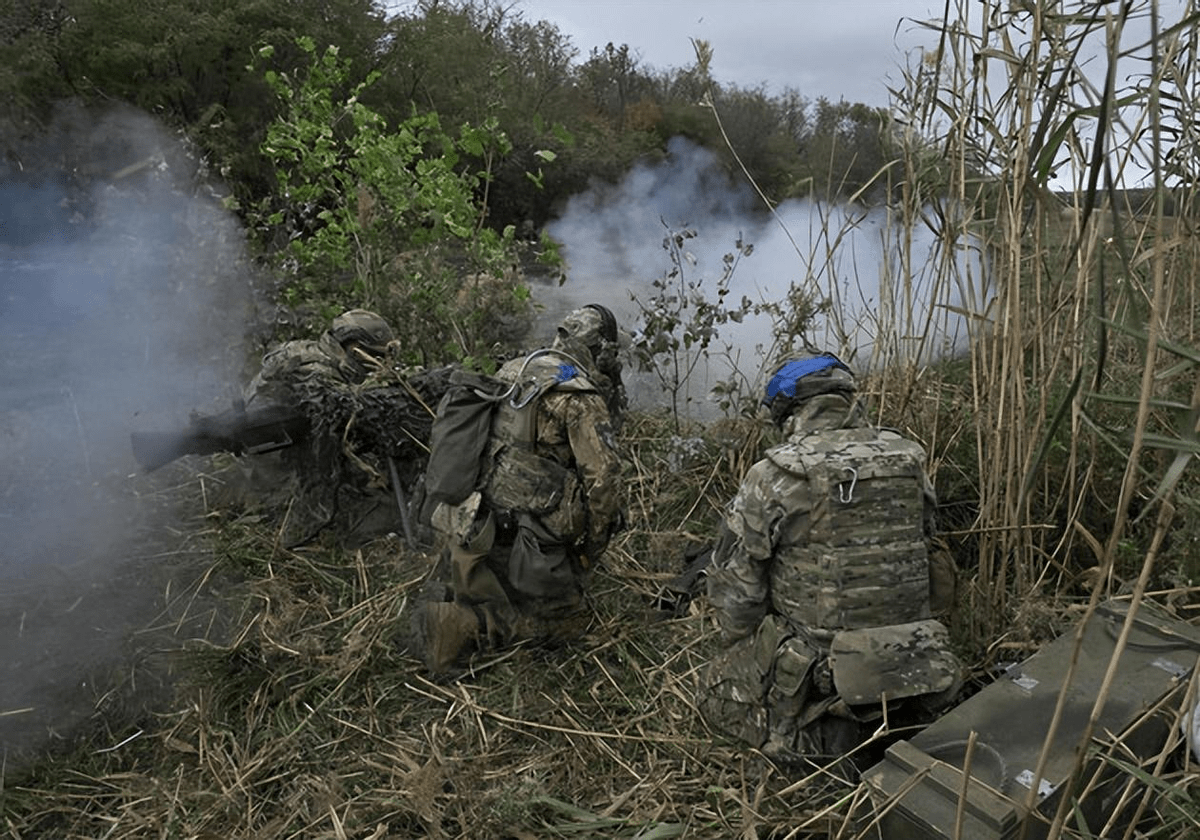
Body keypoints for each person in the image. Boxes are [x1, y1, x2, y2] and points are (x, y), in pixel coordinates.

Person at [700, 351, 962, 766]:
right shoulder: (910, 460)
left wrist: (743, 641)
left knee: (715, 690)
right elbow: (931, 554)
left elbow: (739, 596)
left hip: (821, 673)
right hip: (914, 661)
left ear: (786, 409)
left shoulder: (774, 475)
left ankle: (813, 733)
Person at [414, 304, 627, 674]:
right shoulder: (578, 396)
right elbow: (604, 482)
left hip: (477, 519)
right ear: (599, 349)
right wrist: (589, 551)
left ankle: (467, 591)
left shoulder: (514, 369)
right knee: (570, 628)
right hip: (530, 538)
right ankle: (464, 625)